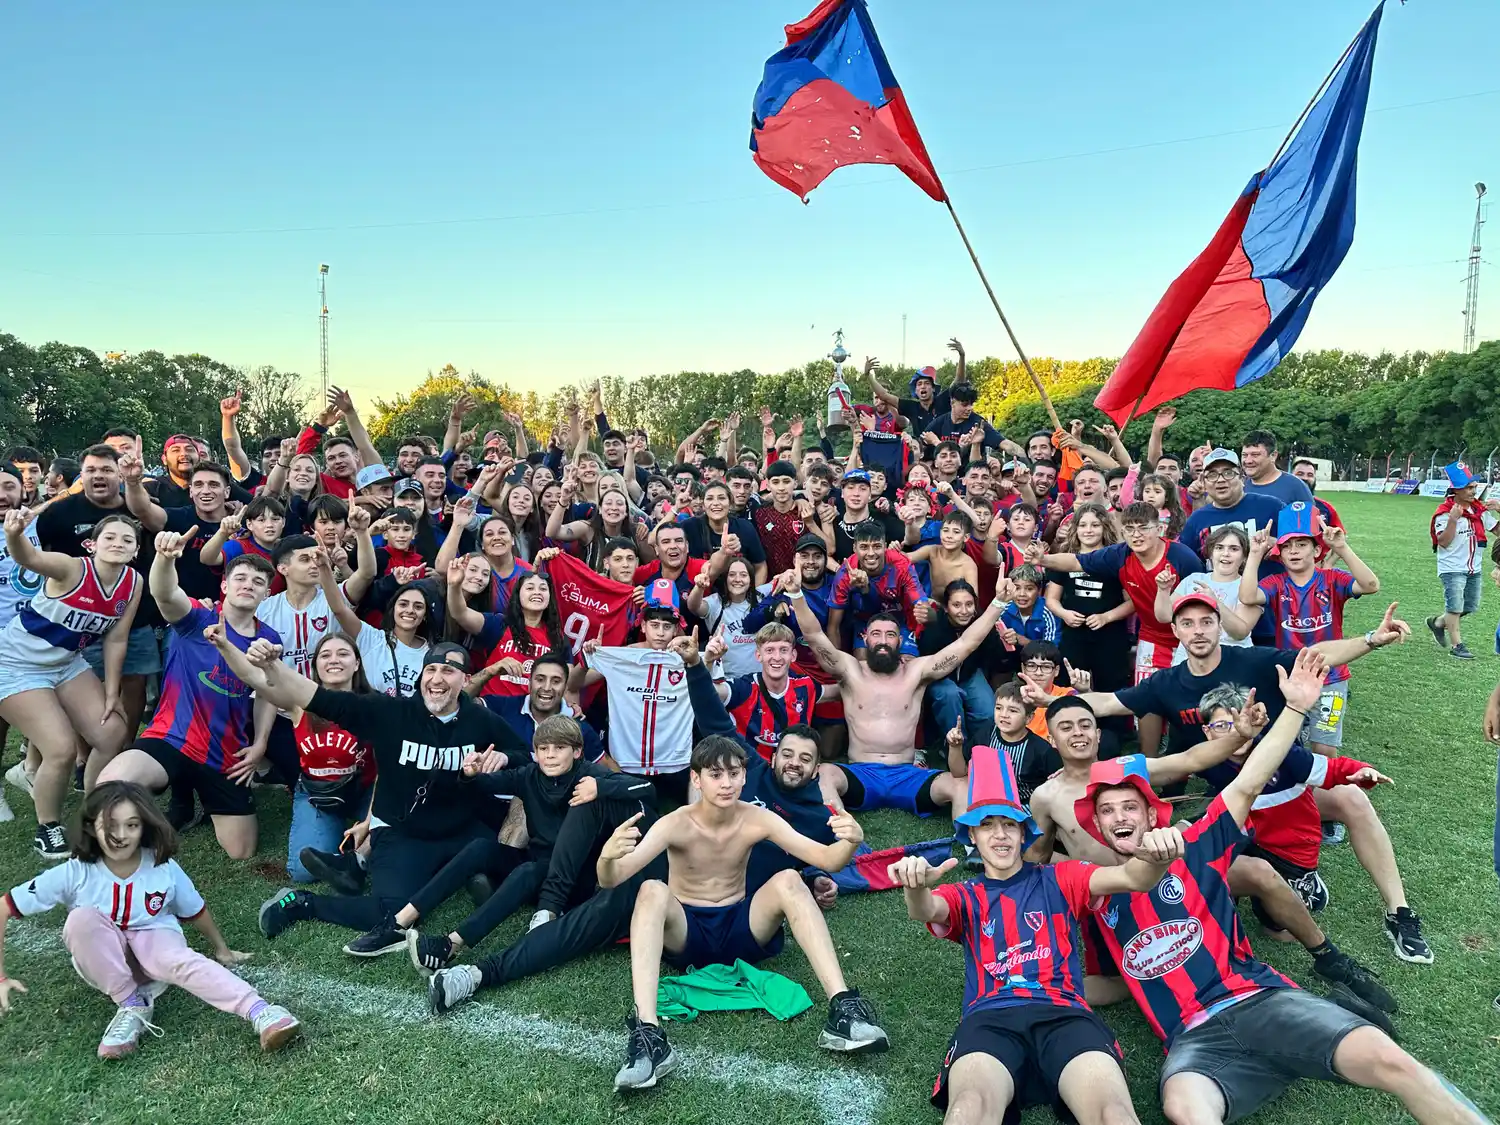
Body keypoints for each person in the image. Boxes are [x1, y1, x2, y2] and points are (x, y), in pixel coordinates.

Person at [1076, 652, 1488, 1125]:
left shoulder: (1195, 844)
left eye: (1130, 807)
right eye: (1107, 812)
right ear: (1098, 828)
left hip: (1258, 998)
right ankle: (1310, 1032)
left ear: (1152, 814)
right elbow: (1105, 982)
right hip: (1193, 1038)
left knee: (1392, 1060)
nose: (1120, 818)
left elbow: (1248, 782)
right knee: (1183, 1110)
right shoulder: (1092, 890)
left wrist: (1294, 710)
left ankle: (1322, 1008)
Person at [1076, 591, 1432, 962]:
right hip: (1235, 802)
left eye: (1205, 622)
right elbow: (1109, 702)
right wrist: (1052, 700)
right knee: (1269, 923)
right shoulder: (1166, 683)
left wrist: (1372, 639)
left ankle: (1399, 912)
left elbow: (1314, 658)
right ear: (1176, 630)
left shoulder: (1252, 661)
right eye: (1187, 623)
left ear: (1219, 626)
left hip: (1284, 786)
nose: (1197, 631)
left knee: (1352, 798)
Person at [1025, 691, 1395, 1013]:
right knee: (1117, 980)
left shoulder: (1125, 767)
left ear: (1098, 732)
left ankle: (1328, 957)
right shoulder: (1046, 796)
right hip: (1115, 897)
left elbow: (1191, 760)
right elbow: (1038, 858)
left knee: (1258, 872)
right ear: (1052, 740)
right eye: (1067, 727)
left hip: (1171, 869)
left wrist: (1239, 735)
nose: (1078, 733)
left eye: (1085, 725)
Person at [890, 744, 1188, 1125]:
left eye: (1009, 824)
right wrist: (915, 886)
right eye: (987, 825)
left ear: (1023, 833)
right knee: (969, 1110)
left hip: (1064, 1014)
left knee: (1113, 1113)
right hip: (990, 1017)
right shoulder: (965, 895)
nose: (999, 835)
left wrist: (1156, 859)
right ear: (973, 838)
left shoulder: (1063, 877)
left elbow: (1133, 877)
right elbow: (926, 910)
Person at [597, 734, 889, 1092]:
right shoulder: (675, 823)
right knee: (650, 890)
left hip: (741, 927)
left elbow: (827, 860)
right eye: (715, 775)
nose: (726, 783)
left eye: (733, 774)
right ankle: (649, 1036)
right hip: (687, 933)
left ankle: (843, 1009)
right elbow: (611, 879)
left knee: (788, 879)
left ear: (744, 777)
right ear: (696, 779)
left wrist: (851, 841)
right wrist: (607, 857)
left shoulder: (757, 819)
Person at [253, 641, 530, 955]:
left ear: (465, 680)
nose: (437, 678)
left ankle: (476, 876)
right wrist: (274, 667)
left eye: (449, 671)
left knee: (513, 863)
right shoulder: (391, 712)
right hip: (405, 833)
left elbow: (522, 753)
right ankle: (303, 902)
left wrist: (503, 759)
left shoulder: (480, 719)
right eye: (431, 669)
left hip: (463, 829)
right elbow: (319, 699)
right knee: (391, 913)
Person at [0, 781, 300, 1057]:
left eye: (131, 825)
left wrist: (221, 949)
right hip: (106, 963)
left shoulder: (162, 867)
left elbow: (194, 910)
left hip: (157, 957)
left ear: (144, 827)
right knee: (81, 920)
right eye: (110, 825)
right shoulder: (75, 871)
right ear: (92, 827)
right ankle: (131, 1006)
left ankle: (262, 1012)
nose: (120, 835)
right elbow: (4, 906)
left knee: (173, 957)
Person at [399, 714, 655, 972]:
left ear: (577, 752)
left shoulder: (590, 773)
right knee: (481, 848)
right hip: (538, 861)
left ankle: (450, 945)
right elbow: (485, 785)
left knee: (527, 871)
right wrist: (470, 774)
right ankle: (404, 917)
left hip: (578, 876)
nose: (550, 755)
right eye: (543, 749)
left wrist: (600, 787)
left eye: (560, 748)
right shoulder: (529, 775)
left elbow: (645, 787)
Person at [98, 530, 280, 860]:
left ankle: (194, 794)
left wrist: (260, 744)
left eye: (257, 582)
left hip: (224, 754)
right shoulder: (197, 617)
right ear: (224, 585)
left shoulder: (268, 639)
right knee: (112, 782)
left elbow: (268, 693)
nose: (247, 585)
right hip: (172, 737)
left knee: (241, 851)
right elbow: (165, 593)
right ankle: (168, 802)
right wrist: (165, 558)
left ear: (266, 594)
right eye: (240, 578)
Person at [786, 565, 1007, 820]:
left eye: (890, 635)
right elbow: (814, 636)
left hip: (908, 774)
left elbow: (966, 644)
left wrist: (999, 602)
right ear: (865, 638)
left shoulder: (917, 672)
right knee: (823, 774)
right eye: (876, 634)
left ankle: (974, 851)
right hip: (861, 773)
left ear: (899, 641)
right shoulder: (850, 671)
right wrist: (796, 596)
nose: (883, 641)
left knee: (961, 785)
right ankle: (838, 838)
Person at [0, 507, 141, 859]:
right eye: (109, 537)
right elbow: (29, 556)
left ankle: (94, 806)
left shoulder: (133, 582)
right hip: (16, 664)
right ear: (92, 544)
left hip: (66, 664)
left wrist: (112, 692)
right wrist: (15, 535)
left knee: (112, 733)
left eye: (127, 539)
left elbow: (117, 638)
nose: (118, 543)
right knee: (61, 749)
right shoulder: (72, 567)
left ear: (136, 550)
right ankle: (47, 826)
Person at [1239, 507, 1380, 753]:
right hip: (1291, 679)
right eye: (1286, 546)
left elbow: (1370, 585)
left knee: (1324, 749)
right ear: (1279, 554)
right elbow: (1248, 596)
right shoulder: (1275, 583)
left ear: (1316, 550)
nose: (1293, 550)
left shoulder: (1332, 579)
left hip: (1331, 677)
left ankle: (1325, 790)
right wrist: (1255, 555)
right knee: (1285, 745)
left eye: (1302, 544)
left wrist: (1342, 548)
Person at [1425, 460, 1499, 660]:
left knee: (1469, 606)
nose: (1473, 491)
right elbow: (1443, 542)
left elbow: (1497, 531)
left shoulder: (1479, 511)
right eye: (1468, 488)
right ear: (1456, 490)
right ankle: (1457, 646)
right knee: (1455, 606)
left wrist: (1499, 510)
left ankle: (1439, 623)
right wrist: (1453, 520)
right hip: (1452, 567)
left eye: (1474, 487)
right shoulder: (1445, 512)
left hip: (1473, 567)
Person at [1152, 524, 1255, 664]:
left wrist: (1215, 602)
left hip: (1232, 663)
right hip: (1188, 661)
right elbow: (1164, 617)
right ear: (1211, 553)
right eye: (1219, 547)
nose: (1226, 553)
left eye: (1234, 549)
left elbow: (1240, 633)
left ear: (1244, 557)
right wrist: (1163, 590)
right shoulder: (1193, 580)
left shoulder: (1249, 587)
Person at [1240, 430, 1315, 507]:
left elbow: (1309, 518)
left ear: (1273, 456)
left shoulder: (1296, 487)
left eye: (1255, 455)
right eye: (1244, 455)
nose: (1248, 461)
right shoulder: (1239, 486)